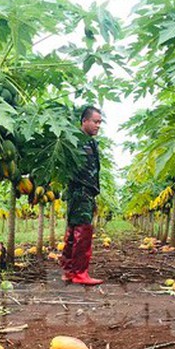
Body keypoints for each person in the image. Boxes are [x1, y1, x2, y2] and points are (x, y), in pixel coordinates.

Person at [60, 106, 103, 285]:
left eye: (100, 122)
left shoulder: (89, 141)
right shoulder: (77, 140)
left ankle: (69, 270)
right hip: (80, 191)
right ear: (84, 121)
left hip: (84, 192)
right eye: (95, 121)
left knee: (73, 231)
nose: (98, 125)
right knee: (82, 232)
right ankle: (80, 273)